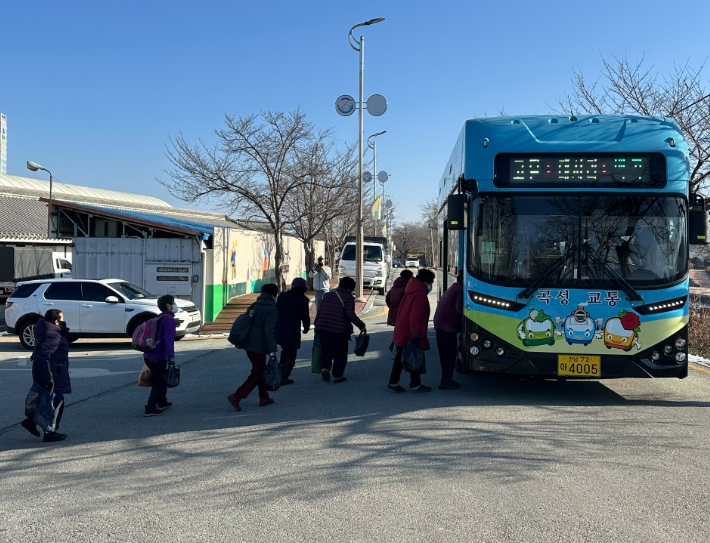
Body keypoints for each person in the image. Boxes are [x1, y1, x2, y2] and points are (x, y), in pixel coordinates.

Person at [21, 309, 71, 442]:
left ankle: (31, 422)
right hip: (52, 373)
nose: (64, 321)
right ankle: (49, 432)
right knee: (56, 401)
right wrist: (48, 378)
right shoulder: (53, 334)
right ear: (56, 321)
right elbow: (43, 356)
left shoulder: (48, 331)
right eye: (61, 318)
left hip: (51, 371)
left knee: (46, 400)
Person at [227, 283, 279, 410]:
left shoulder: (255, 305)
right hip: (258, 346)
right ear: (274, 295)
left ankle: (264, 396)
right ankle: (237, 396)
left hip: (247, 343)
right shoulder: (272, 309)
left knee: (260, 370)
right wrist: (272, 350)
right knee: (258, 372)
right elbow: (269, 331)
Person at [388, 268, 436, 393]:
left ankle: (395, 381)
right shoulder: (420, 295)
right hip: (410, 332)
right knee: (415, 356)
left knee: (400, 357)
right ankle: (414, 383)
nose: (431, 286)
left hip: (402, 329)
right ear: (425, 282)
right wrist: (416, 334)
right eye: (430, 283)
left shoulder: (410, 291)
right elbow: (416, 316)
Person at [314, 276, 366, 383]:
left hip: (324, 328)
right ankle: (338, 375)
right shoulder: (348, 298)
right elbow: (350, 314)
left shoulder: (328, 295)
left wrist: (316, 325)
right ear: (349, 288)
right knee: (340, 353)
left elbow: (320, 311)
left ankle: (325, 368)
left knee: (326, 350)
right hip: (340, 330)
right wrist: (361, 325)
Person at [143, 294, 177, 417]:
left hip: (149, 355)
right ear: (168, 305)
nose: (175, 305)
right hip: (159, 356)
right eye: (173, 303)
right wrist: (170, 356)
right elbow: (168, 340)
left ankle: (162, 401)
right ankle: (150, 408)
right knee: (158, 382)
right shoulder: (168, 320)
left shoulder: (158, 318)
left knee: (161, 379)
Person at [275, 277, 311, 385]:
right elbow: (305, 316)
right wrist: (306, 327)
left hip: (280, 328)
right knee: (291, 354)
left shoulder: (282, 296)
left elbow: (276, 310)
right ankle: (284, 376)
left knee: (284, 351)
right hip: (293, 329)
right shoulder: (303, 300)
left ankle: (278, 373)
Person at [433, 270, 464, 389]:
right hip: (448, 326)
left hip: (441, 324)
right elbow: (459, 309)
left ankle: (446, 379)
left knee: (445, 354)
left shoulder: (453, 288)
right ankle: (446, 381)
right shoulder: (460, 290)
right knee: (449, 354)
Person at [386, 269, 414, 353]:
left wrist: (392, 308)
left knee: (398, 331)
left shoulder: (395, 286)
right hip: (403, 314)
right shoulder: (407, 287)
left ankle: (395, 347)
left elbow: (388, 298)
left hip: (394, 312)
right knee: (404, 333)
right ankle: (398, 350)